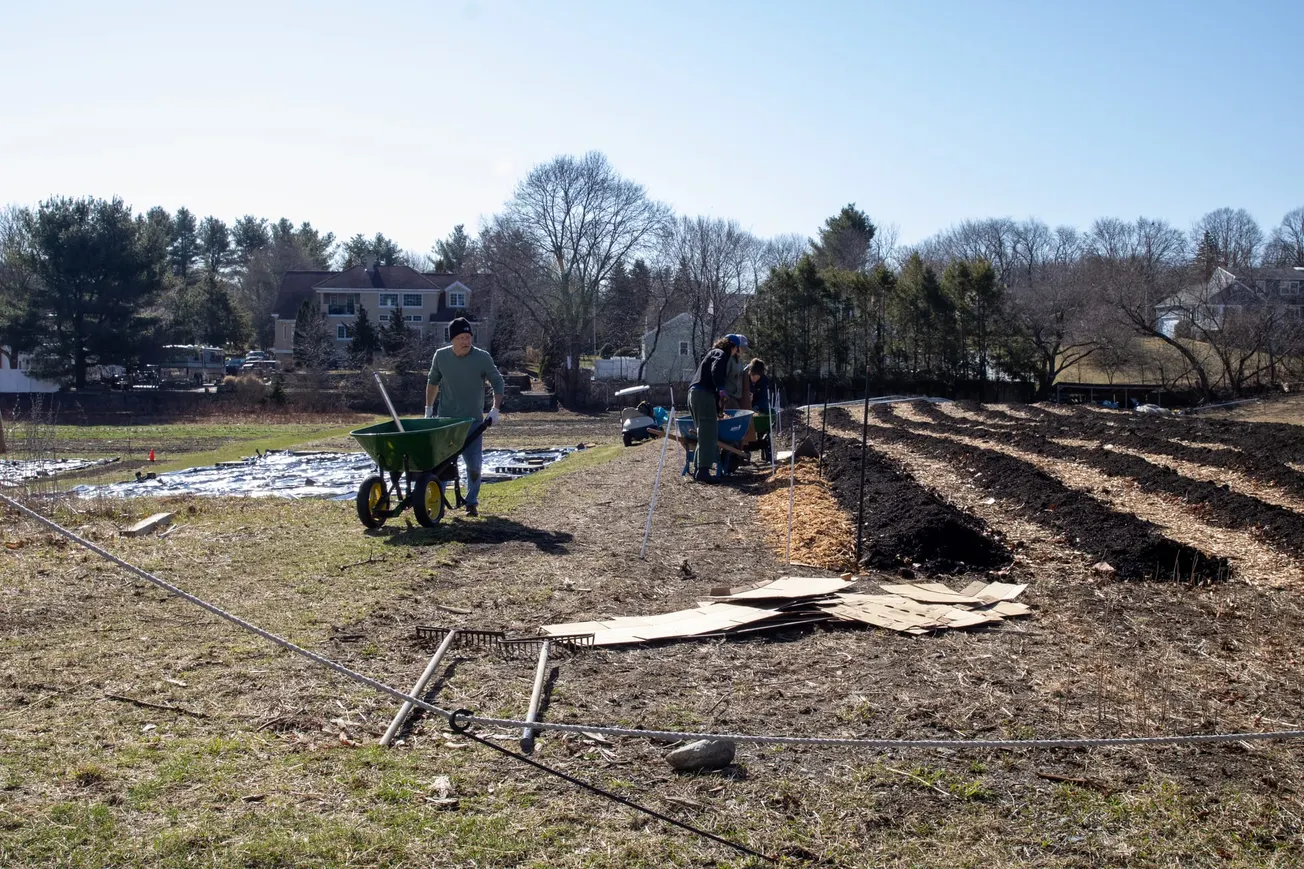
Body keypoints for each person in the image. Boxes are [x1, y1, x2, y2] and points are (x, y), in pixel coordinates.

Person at [425, 317, 506, 517]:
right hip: (446, 422)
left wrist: (495, 409)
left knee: (474, 465)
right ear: (452, 339)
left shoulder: (482, 357)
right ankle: (439, 503)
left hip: (473, 422)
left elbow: (498, 382)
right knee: (442, 464)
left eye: (468, 337)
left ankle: (471, 503)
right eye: (461, 337)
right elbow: (432, 382)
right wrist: (428, 409)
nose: (465, 341)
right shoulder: (441, 356)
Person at [687, 335, 741, 482]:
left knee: (703, 433)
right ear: (732, 346)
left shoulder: (713, 354)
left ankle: (700, 469)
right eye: (737, 349)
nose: (736, 353)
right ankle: (703, 471)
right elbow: (716, 370)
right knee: (709, 433)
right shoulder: (720, 354)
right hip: (703, 394)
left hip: (696, 394)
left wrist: (718, 408)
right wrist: (721, 388)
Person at [723, 333, 749, 409]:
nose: (743, 352)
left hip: (737, 397)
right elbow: (723, 377)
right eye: (742, 348)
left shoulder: (740, 361)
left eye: (744, 349)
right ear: (736, 347)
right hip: (728, 396)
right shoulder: (729, 359)